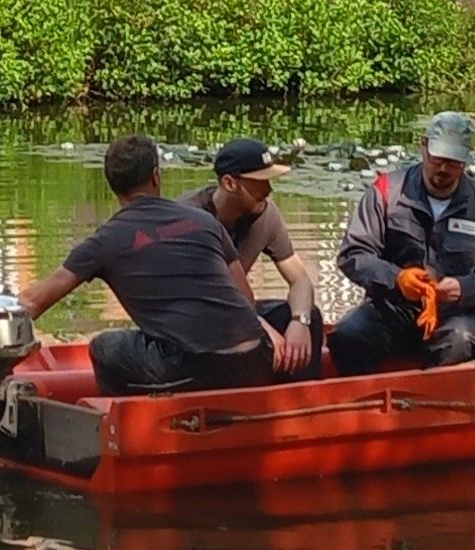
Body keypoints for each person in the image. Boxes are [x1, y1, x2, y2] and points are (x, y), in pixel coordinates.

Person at [16, 133, 280, 397]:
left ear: (112, 186)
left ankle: (123, 423)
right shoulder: (205, 221)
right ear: (156, 176)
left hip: (197, 369)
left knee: (104, 347)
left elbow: (32, 303)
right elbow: (245, 298)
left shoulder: (105, 241)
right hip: (256, 359)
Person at [330, 111, 475, 373]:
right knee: (348, 335)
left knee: (460, 341)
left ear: (465, 161)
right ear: (423, 145)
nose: (443, 169)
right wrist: (397, 279)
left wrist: (464, 289)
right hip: (390, 308)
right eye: (437, 159)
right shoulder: (385, 193)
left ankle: (440, 408)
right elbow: (353, 254)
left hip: (454, 316)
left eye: (453, 163)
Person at [205, 136, 320, 376]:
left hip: (240, 309)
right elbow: (205, 297)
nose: (268, 190)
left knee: (310, 316)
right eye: (260, 181)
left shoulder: (266, 214)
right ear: (229, 183)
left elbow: (299, 280)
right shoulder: (191, 218)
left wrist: (300, 321)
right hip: (204, 318)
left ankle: (299, 404)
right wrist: (258, 324)